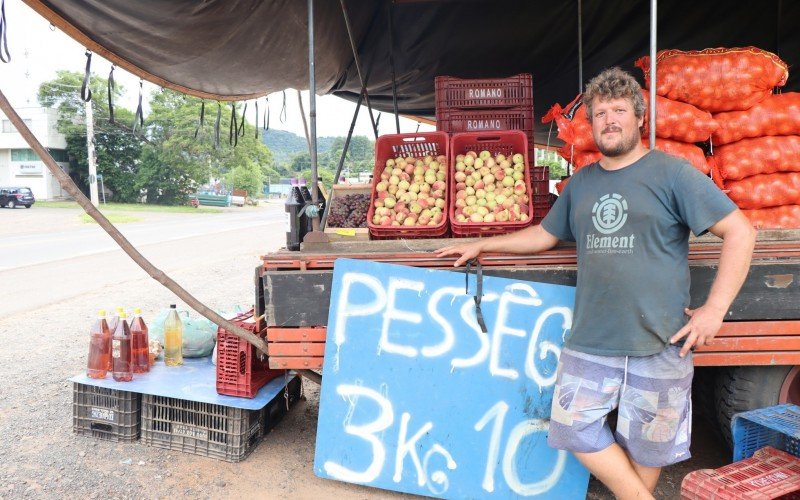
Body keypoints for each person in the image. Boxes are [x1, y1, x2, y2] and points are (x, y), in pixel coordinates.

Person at [436, 67, 756, 499]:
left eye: (619, 110)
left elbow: (740, 231)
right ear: (591, 123)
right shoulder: (581, 184)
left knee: (647, 449)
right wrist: (483, 246)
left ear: (640, 118)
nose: (609, 120)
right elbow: (545, 234)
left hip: (660, 341)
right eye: (600, 112)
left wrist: (714, 309)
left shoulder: (673, 174)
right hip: (592, 340)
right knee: (572, 426)